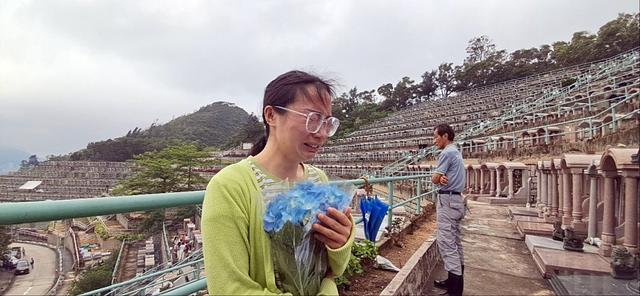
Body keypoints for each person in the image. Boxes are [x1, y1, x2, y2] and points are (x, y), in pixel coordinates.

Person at [202, 70, 355, 295]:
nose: (322, 133)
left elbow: (331, 272)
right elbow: (229, 288)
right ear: (271, 115)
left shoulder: (318, 179)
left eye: (326, 122)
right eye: (312, 119)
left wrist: (340, 244)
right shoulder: (230, 186)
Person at [431, 123, 466, 296]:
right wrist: (441, 178)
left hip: (448, 201)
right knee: (455, 241)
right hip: (457, 200)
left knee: (447, 243)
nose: (434, 140)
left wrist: (437, 177)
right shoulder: (456, 151)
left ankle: (454, 290)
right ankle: (453, 282)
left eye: (436, 136)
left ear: (445, 136)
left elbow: (435, 178)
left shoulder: (446, 152)